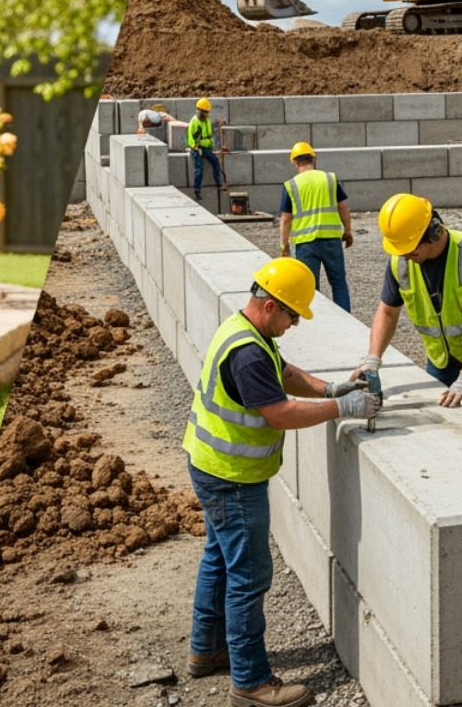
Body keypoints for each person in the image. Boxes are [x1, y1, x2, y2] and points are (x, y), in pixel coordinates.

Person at [183, 257, 380, 707]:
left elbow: (285, 374)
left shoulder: (245, 329)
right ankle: (250, 683)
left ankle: (206, 648)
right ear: (270, 306)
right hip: (233, 478)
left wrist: (331, 389)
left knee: (219, 557)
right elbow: (280, 412)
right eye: (292, 314)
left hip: (212, 466)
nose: (294, 324)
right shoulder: (249, 352)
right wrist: (343, 410)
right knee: (249, 577)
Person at [355, 193, 462, 422]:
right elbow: (387, 312)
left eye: (411, 249)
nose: (406, 256)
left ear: (434, 232)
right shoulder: (400, 262)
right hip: (441, 359)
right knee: (444, 425)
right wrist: (372, 360)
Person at [278, 142, 352, 311]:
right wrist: (347, 231)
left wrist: (284, 246)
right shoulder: (330, 179)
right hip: (332, 240)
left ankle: (317, 323)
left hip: (305, 244)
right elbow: (343, 208)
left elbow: (286, 219)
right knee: (339, 282)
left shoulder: (291, 185)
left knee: (311, 287)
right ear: (313, 158)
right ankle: (347, 320)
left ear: (295, 162)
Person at [188, 97, 225, 204]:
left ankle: (218, 183)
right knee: (199, 170)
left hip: (206, 148)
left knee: (215, 161)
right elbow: (192, 137)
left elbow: (209, 131)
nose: (207, 114)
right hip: (197, 148)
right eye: (205, 112)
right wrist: (196, 147)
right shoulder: (195, 122)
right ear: (200, 111)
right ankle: (197, 191)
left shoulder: (207, 120)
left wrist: (218, 123)